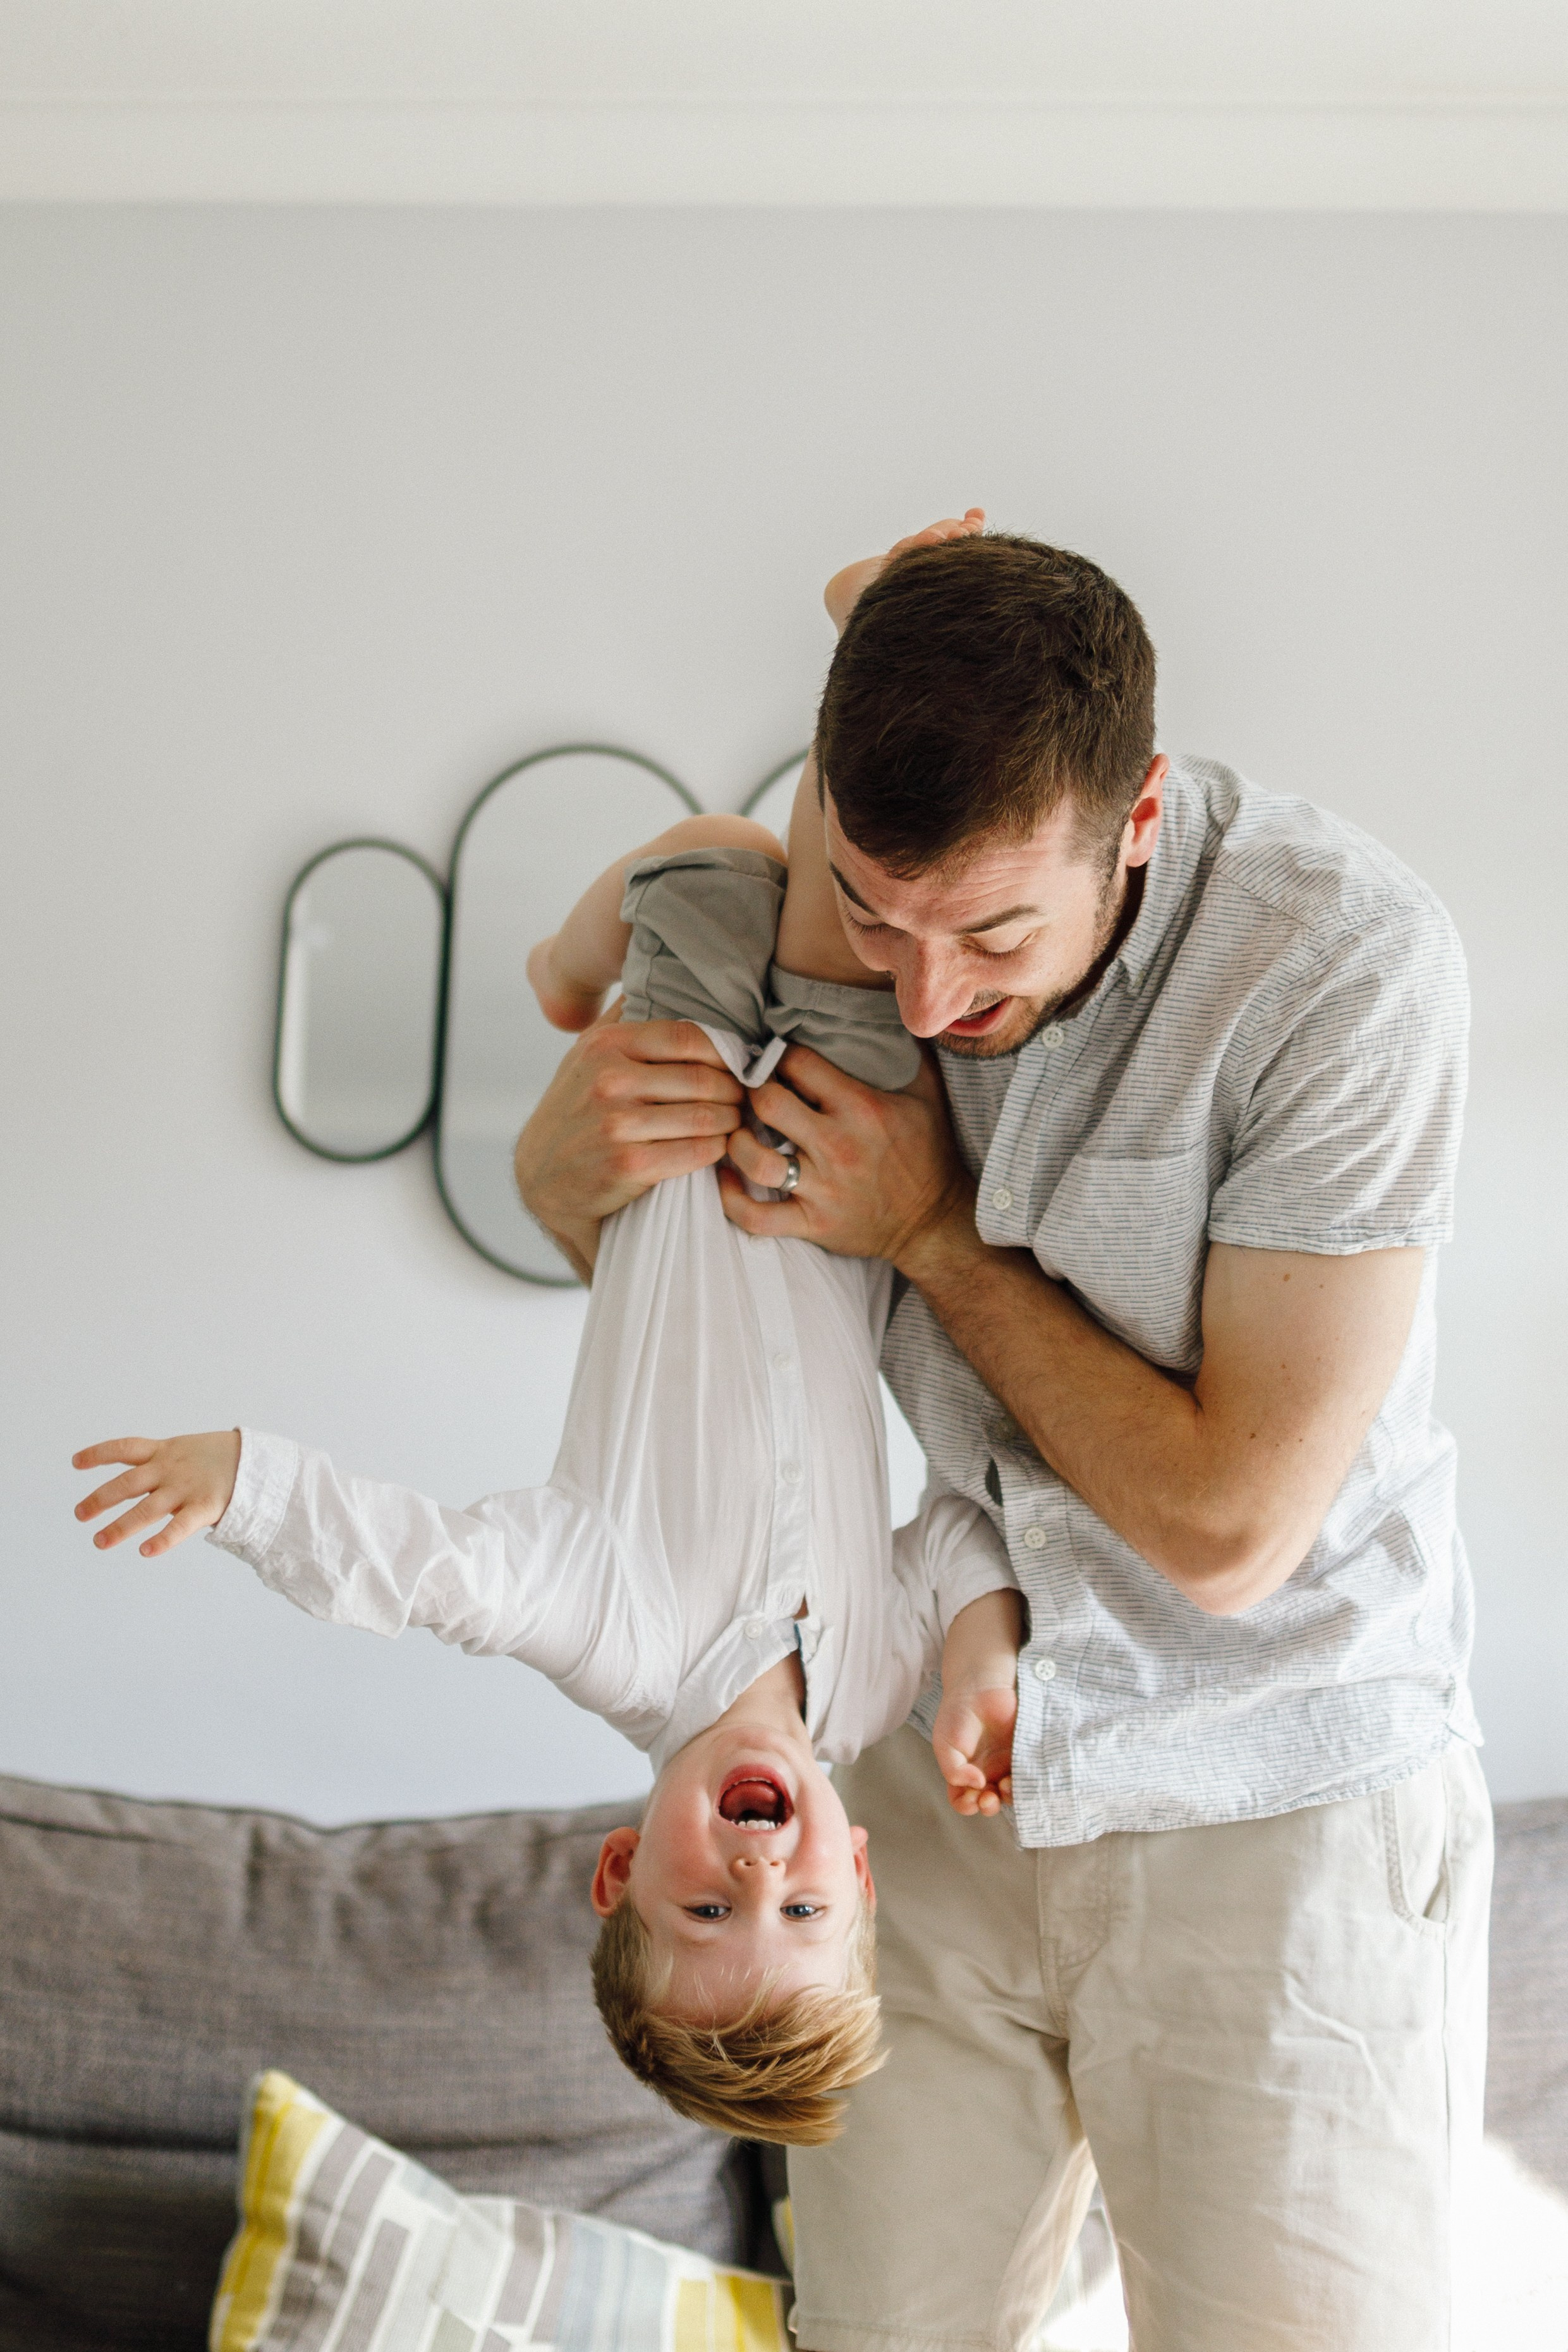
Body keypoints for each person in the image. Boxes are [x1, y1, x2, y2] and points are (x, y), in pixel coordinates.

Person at [511, 514, 1490, 2349]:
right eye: (879, 916)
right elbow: (697, 1252)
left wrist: (938, 1237)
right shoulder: (873, 905)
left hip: (1272, 1794)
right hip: (926, 1793)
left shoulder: (1342, 966)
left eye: (990, 938)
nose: (928, 1001)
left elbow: (1226, 1528)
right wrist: (561, 1171)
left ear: (1135, 820)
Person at [70, 786, 1023, 2150]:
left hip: (685, 1097)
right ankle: (882, 619)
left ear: (622, 1866)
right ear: (860, 1870)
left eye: (707, 1906)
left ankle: (561, 969)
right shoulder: (874, 1690)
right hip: (827, 1139)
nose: (761, 1869)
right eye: (801, 1909)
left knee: (723, 855)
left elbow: (419, 1570)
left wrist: (248, 1484)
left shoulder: (610, 1637)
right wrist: (984, 1660)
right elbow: (951, 1535)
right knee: (835, 871)